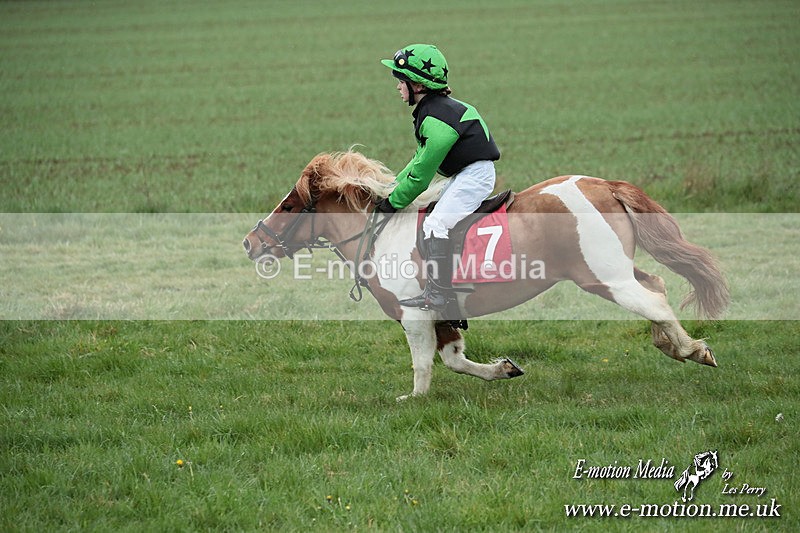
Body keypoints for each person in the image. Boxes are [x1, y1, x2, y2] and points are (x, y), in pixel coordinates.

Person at [376, 44, 501, 312]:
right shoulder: (435, 111)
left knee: (435, 224)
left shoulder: (435, 117)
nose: (398, 87)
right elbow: (418, 160)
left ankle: (439, 295)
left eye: (401, 80)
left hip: (474, 176)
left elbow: (421, 176)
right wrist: (390, 188)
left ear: (418, 86)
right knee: (433, 215)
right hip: (467, 173)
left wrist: (392, 203)